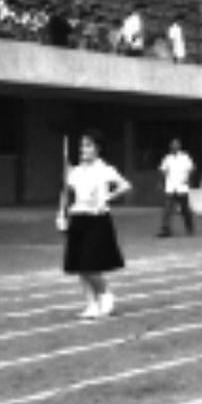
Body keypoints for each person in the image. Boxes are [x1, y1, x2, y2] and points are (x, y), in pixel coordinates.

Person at [57, 129, 131, 319]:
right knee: (79, 266)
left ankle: (105, 294)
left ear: (97, 148)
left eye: (88, 145)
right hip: (78, 217)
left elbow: (125, 185)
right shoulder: (75, 171)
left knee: (90, 263)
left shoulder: (105, 170)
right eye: (82, 145)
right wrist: (60, 215)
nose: (83, 149)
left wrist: (108, 196)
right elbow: (65, 193)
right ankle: (90, 304)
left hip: (97, 219)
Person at [158, 137, 195, 237]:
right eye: (172, 144)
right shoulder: (167, 158)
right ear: (170, 146)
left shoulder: (185, 157)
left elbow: (191, 169)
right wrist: (162, 182)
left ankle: (189, 227)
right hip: (170, 186)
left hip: (182, 186)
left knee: (185, 209)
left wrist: (188, 179)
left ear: (179, 146)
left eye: (176, 144)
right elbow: (163, 170)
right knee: (167, 209)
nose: (174, 146)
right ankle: (166, 230)